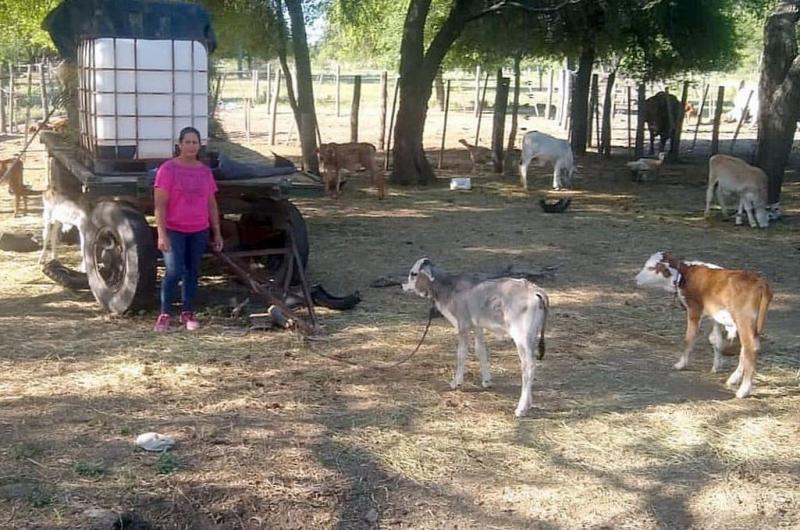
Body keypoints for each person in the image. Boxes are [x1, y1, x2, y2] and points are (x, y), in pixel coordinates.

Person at [153, 126, 223, 332]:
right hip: (174, 229)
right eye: (188, 142)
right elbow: (160, 205)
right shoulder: (168, 170)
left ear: (200, 146)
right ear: (179, 144)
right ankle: (165, 313)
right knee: (174, 270)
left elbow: (211, 203)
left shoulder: (204, 172)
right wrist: (161, 234)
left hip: (199, 229)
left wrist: (216, 231)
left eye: (195, 142)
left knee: (193, 271)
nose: (191, 146)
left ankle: (188, 312)